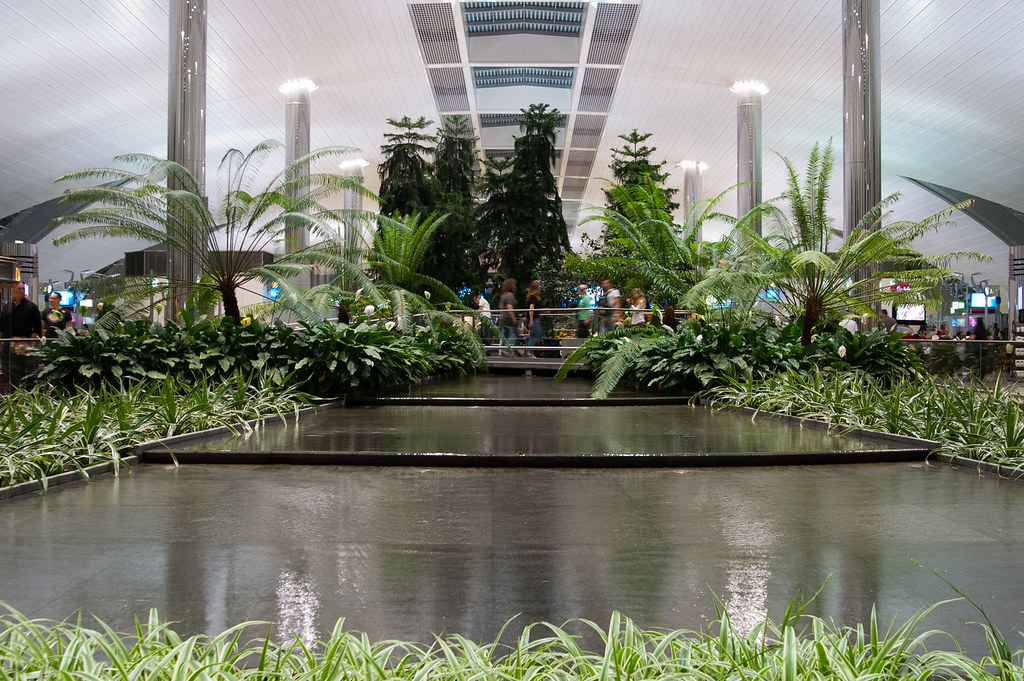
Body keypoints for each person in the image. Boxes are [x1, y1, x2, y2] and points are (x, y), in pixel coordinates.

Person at [497, 278, 518, 357]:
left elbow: (500, 306)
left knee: (504, 335)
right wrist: (514, 318)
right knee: (516, 335)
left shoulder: (503, 295)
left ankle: (501, 351)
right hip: (509, 319)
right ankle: (513, 351)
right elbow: (510, 307)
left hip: (503, 318)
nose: (515, 286)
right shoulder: (510, 295)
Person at [524, 280, 543, 357]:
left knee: (532, 336)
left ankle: (530, 352)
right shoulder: (533, 297)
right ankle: (529, 351)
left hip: (533, 318)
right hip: (534, 319)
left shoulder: (531, 297)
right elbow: (531, 308)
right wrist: (531, 320)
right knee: (537, 336)